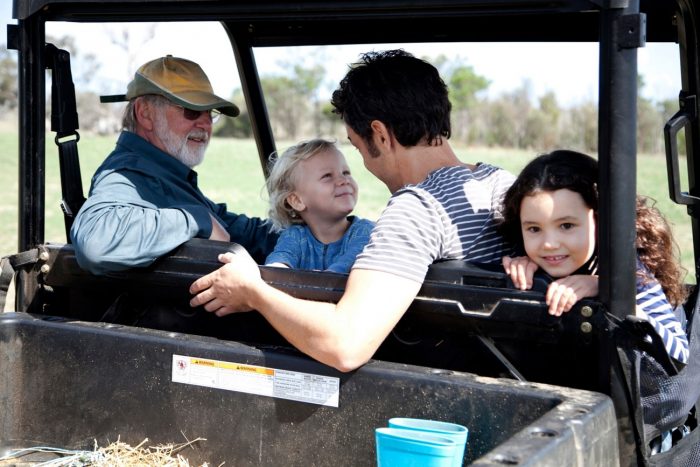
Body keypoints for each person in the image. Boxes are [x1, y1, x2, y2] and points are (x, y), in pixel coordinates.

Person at [189, 49, 515, 372]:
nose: (364, 165)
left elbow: (346, 346)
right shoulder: (505, 184)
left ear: (381, 136)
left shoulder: (417, 209)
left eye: (358, 148)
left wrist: (253, 292)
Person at [70, 55, 278, 275]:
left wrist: (304, 232)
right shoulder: (129, 174)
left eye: (210, 113)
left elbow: (231, 228)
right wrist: (196, 220)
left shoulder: (166, 174)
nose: (205, 124)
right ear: (145, 114)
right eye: (191, 111)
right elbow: (96, 242)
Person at [499, 150, 689, 364]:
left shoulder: (631, 270)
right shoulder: (527, 259)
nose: (549, 244)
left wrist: (610, 291)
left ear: (600, 220)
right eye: (534, 229)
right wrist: (519, 267)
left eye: (566, 226)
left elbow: (680, 355)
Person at [263, 138, 374, 274]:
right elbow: (278, 264)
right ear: (297, 200)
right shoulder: (295, 236)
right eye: (327, 176)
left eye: (346, 173)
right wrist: (276, 270)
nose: (343, 180)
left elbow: (344, 268)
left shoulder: (365, 232)